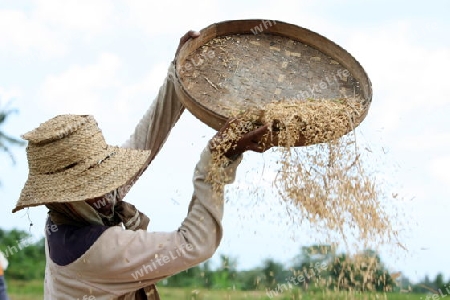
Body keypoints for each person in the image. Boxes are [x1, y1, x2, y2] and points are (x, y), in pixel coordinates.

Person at [12, 31, 272, 299]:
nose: (108, 191)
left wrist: (179, 75)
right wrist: (216, 163)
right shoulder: (92, 250)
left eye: (104, 177)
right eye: (92, 187)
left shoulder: (79, 210)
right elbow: (195, 243)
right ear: (65, 200)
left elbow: (145, 141)